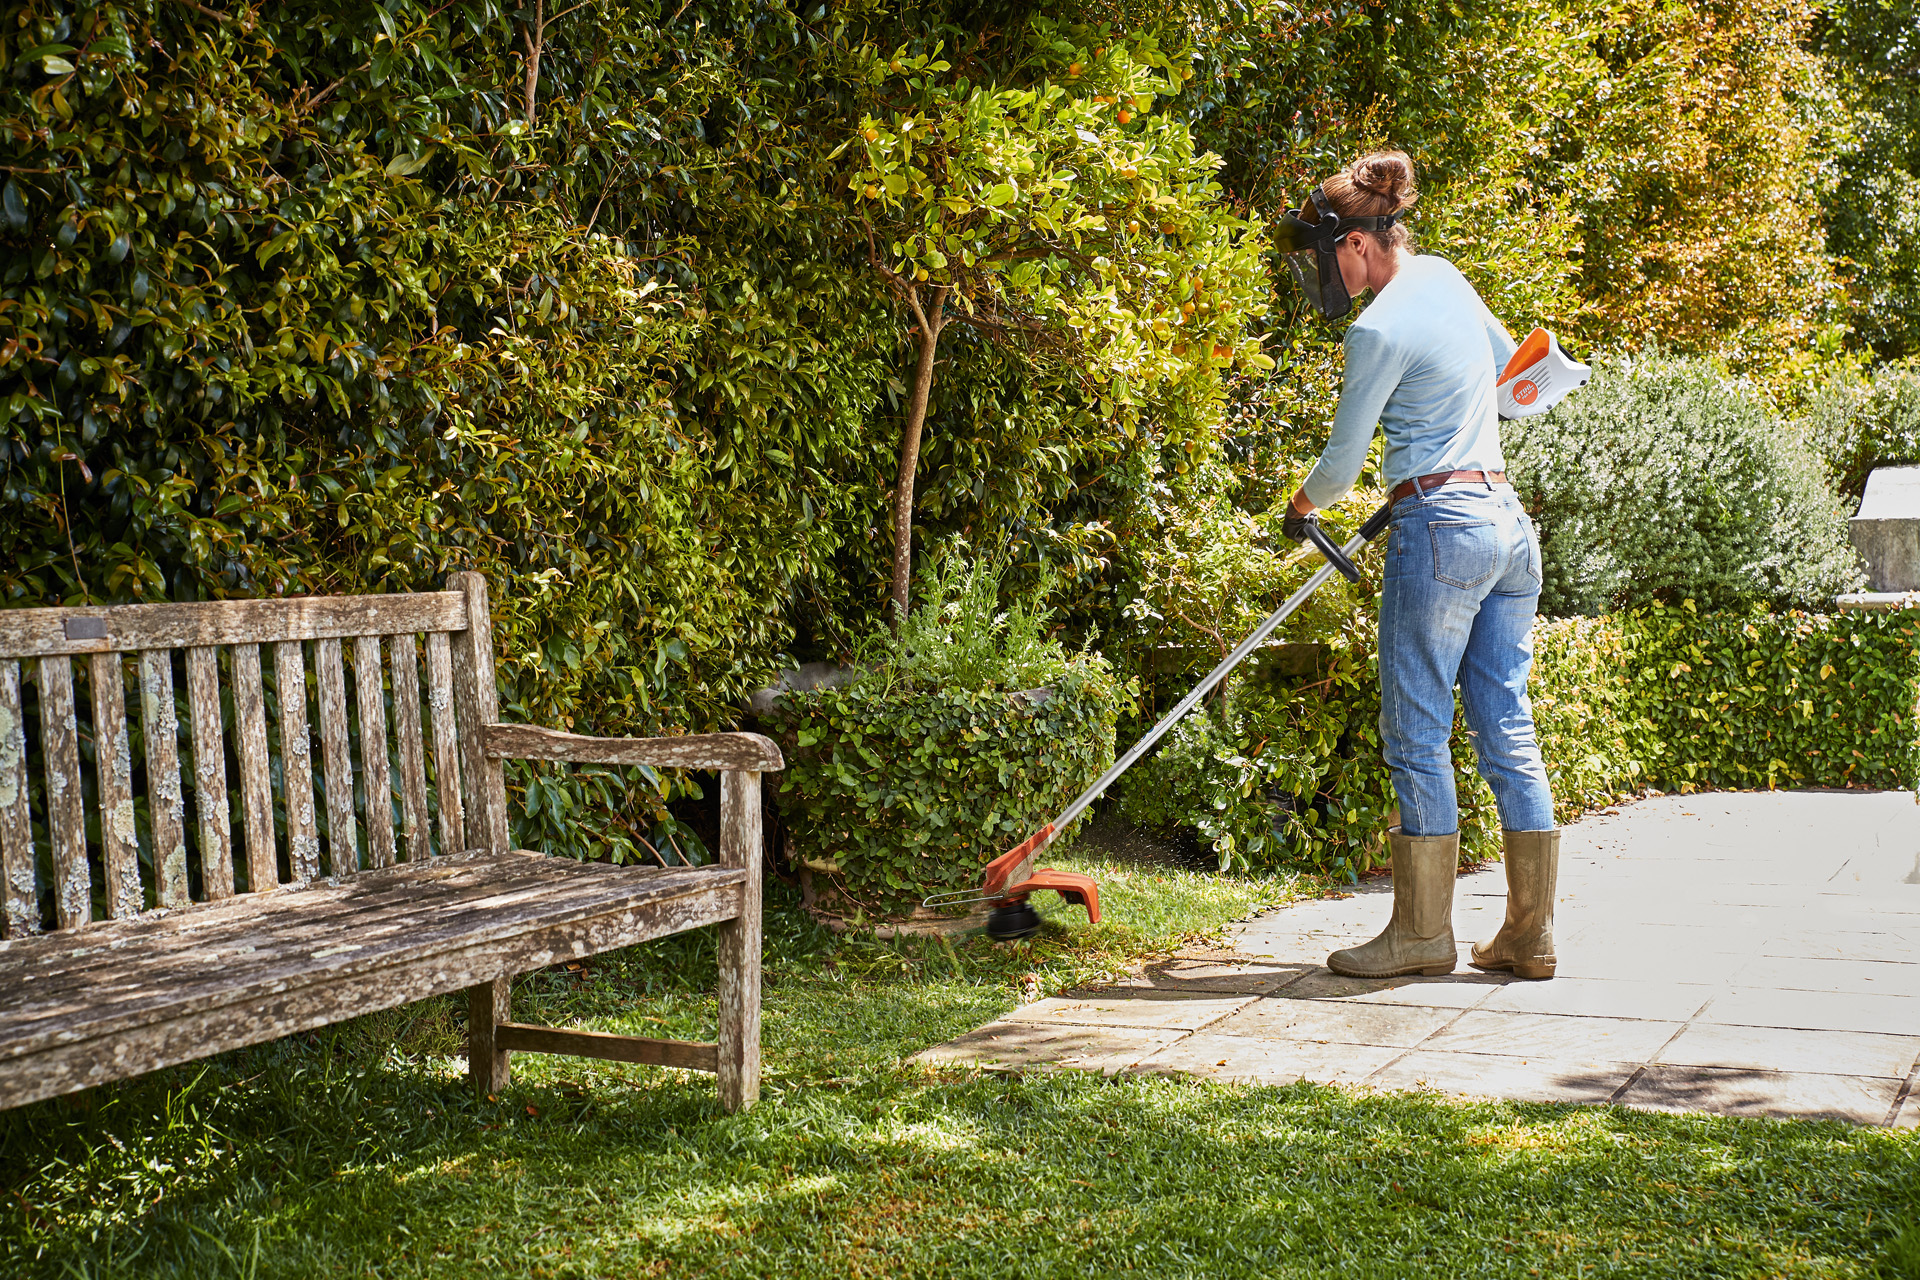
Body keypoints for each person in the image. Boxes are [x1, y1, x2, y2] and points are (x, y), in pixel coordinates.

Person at [1275, 150, 1559, 981]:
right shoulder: (1447, 276)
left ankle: (1422, 937)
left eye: (1325, 257)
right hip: (1507, 522)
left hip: (1441, 527)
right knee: (1506, 722)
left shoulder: (1377, 327)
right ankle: (1529, 937)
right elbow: (1517, 387)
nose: (1327, 276)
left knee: (1417, 730)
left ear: (1357, 244)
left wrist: (1302, 509)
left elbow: (1339, 463)